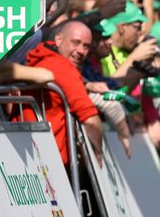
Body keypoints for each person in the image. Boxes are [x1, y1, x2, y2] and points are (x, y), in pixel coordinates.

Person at [19, 21, 104, 167]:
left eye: (86, 46)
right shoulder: (63, 67)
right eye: (76, 42)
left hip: (27, 154)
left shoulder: (41, 60)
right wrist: (98, 152)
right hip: (50, 162)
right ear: (58, 40)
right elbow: (91, 121)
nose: (81, 51)